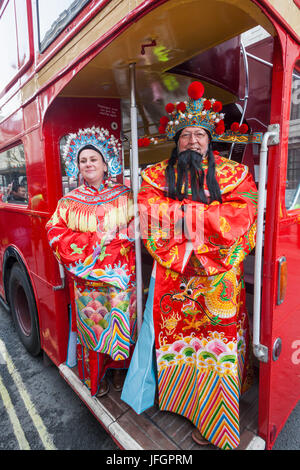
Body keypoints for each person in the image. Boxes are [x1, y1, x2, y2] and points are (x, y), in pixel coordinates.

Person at [122, 82, 260, 449]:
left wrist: (186, 216)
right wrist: (201, 217)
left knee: (216, 350)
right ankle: (184, 405)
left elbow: (244, 213)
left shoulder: (234, 174)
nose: (194, 141)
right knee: (180, 344)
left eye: (201, 134)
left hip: (218, 283)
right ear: (176, 140)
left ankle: (216, 421)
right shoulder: (155, 175)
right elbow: (148, 211)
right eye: (187, 135)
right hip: (175, 281)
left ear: (210, 139)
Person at [46, 127, 136, 397]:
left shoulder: (124, 195)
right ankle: (97, 375)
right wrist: (97, 239)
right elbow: (54, 233)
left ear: (106, 164)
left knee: (121, 327)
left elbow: (135, 230)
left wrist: (117, 243)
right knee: (94, 330)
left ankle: (119, 370)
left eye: (93, 159)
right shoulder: (68, 202)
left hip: (120, 280)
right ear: (77, 167)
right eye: (83, 161)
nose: (88, 164)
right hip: (87, 284)